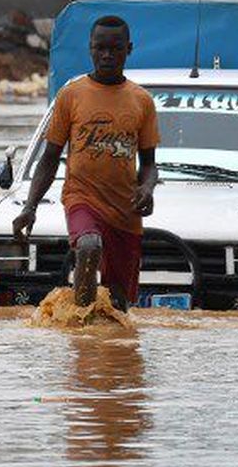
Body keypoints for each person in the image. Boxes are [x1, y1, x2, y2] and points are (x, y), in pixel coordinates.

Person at [12, 16, 159, 311]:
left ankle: (102, 348)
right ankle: (80, 324)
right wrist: (30, 207)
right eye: (99, 48)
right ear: (90, 49)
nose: (107, 55)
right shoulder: (71, 95)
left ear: (128, 49)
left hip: (125, 210)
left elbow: (149, 163)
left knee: (118, 303)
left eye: (115, 48)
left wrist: (147, 187)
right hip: (82, 198)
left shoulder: (141, 101)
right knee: (89, 246)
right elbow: (49, 158)